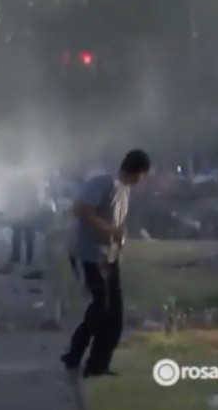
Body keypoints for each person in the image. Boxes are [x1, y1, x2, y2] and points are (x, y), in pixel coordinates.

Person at [61, 149, 151, 380]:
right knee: (100, 307)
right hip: (89, 255)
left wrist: (119, 238)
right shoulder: (105, 182)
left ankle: (98, 365)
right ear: (138, 172)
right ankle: (74, 353)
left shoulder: (125, 190)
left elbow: (115, 221)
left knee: (114, 316)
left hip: (109, 258)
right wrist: (109, 230)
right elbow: (81, 209)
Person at [6, 177, 42, 265]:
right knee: (27, 238)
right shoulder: (31, 188)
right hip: (27, 216)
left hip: (22, 216)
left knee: (19, 237)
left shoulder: (17, 188)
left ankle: (17, 257)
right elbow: (36, 202)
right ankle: (27, 259)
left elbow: (12, 202)